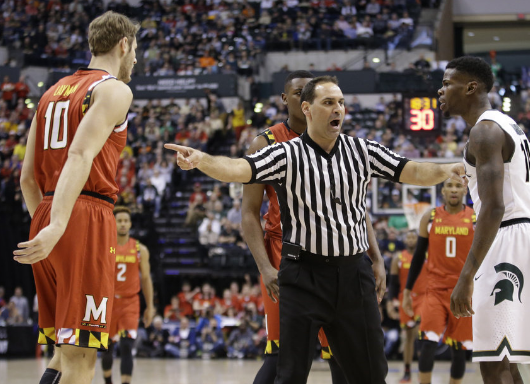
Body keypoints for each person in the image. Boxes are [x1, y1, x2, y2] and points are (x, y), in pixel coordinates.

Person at [165, 75, 463, 384]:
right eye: (329, 102)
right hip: (303, 276)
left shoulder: (361, 150)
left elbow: (410, 169)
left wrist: (446, 170)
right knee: (289, 372)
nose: (338, 109)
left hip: (353, 276)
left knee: (372, 374)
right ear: (307, 108)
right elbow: (240, 169)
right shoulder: (286, 153)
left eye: (342, 103)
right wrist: (202, 160)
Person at [14, 11, 138, 384]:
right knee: (82, 358)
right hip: (83, 215)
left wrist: (51, 225)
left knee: (61, 353)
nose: (134, 60)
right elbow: (80, 155)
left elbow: (26, 179)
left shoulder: (50, 93)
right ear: (123, 44)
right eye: (135, 52)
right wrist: (62, 227)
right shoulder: (114, 89)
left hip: (49, 209)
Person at [241, 71, 385, 384]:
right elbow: (249, 213)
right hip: (287, 253)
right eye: (295, 93)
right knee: (281, 355)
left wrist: (374, 256)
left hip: (341, 257)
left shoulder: (343, 145)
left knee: (343, 353)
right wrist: (265, 267)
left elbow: (355, 208)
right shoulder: (265, 142)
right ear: (291, 100)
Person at [444, 57, 530, 384]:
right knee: (507, 357)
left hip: (506, 240)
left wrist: (467, 275)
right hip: (526, 237)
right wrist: (523, 234)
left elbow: (492, 209)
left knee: (494, 361)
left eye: (448, 83)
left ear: (471, 87)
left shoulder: (484, 131)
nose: (441, 89)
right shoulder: (508, 126)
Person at [403, 178, 476, 384]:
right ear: (442, 190)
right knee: (427, 342)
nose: (454, 190)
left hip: (463, 291)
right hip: (434, 289)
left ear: (465, 190)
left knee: (459, 349)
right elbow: (418, 256)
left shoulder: (474, 218)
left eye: (458, 186)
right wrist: (407, 290)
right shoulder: (430, 216)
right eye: (449, 186)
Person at [101, 206, 154, 384]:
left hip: (130, 303)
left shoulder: (140, 249)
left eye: (125, 220)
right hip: (108, 303)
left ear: (130, 224)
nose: (122, 224)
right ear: (113, 223)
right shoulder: (105, 247)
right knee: (107, 348)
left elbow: (146, 279)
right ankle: (108, 381)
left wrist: (150, 306)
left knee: (126, 346)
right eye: (119, 220)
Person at [389, 230, 428, 383]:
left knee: (421, 335)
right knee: (408, 338)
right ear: (404, 240)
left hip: (423, 298)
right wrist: (391, 302)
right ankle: (407, 371)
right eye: (408, 237)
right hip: (405, 299)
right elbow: (393, 282)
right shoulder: (397, 258)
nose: (411, 239)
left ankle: (423, 370)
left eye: (414, 237)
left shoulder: (426, 256)